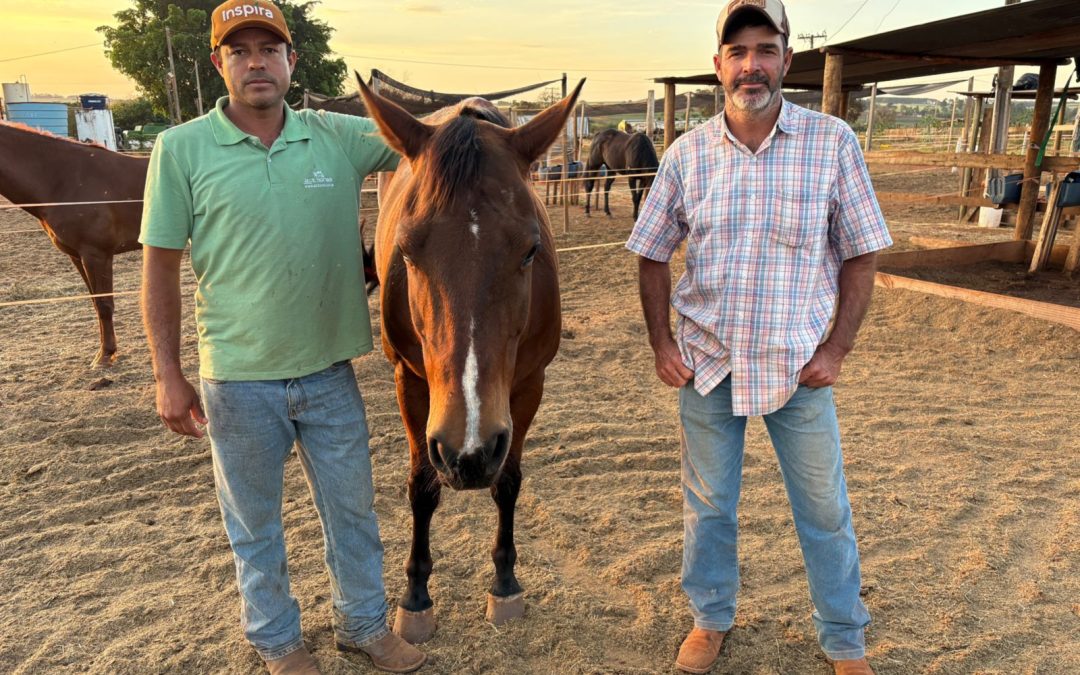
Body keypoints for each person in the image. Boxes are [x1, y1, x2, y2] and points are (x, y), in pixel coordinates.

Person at [139, 2, 425, 673]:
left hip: (329, 371)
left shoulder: (336, 136)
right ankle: (277, 641)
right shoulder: (180, 150)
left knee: (353, 510)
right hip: (237, 378)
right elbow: (159, 264)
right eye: (240, 51)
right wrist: (166, 371)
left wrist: (469, 108)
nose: (257, 61)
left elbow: (425, 138)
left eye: (271, 48)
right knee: (254, 524)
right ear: (219, 63)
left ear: (293, 61)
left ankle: (362, 625)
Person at [626, 1, 892, 673]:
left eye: (764, 49)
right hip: (710, 365)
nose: (752, 65)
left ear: (787, 60)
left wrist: (835, 349)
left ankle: (843, 637)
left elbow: (861, 252)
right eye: (737, 51)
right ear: (718, 66)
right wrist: (662, 343)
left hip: (796, 367)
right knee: (709, 507)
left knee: (824, 510)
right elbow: (652, 251)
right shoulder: (687, 156)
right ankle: (710, 618)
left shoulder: (832, 143)